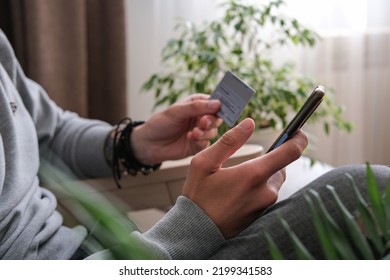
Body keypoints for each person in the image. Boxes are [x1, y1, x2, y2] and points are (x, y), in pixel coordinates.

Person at [1, 28, 389, 260]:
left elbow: (50, 132)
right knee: (370, 194)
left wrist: (133, 143)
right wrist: (197, 224)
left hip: (100, 246)